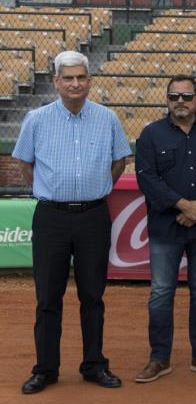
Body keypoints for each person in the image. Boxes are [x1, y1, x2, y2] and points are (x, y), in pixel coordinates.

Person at [13, 50, 131, 394]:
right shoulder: (36, 119)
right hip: (51, 217)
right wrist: (50, 189)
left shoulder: (107, 118)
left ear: (90, 80)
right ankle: (45, 369)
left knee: (93, 296)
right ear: (56, 82)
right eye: (68, 78)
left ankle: (94, 364)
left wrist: (97, 188)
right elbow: (25, 165)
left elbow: (119, 161)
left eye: (81, 77)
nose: (76, 84)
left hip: (94, 215)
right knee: (48, 297)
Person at [133, 75, 196, 383]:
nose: (180, 101)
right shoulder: (151, 134)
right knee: (161, 292)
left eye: (186, 96)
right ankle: (159, 358)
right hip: (167, 225)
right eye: (174, 96)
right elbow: (146, 178)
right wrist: (182, 205)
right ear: (167, 99)